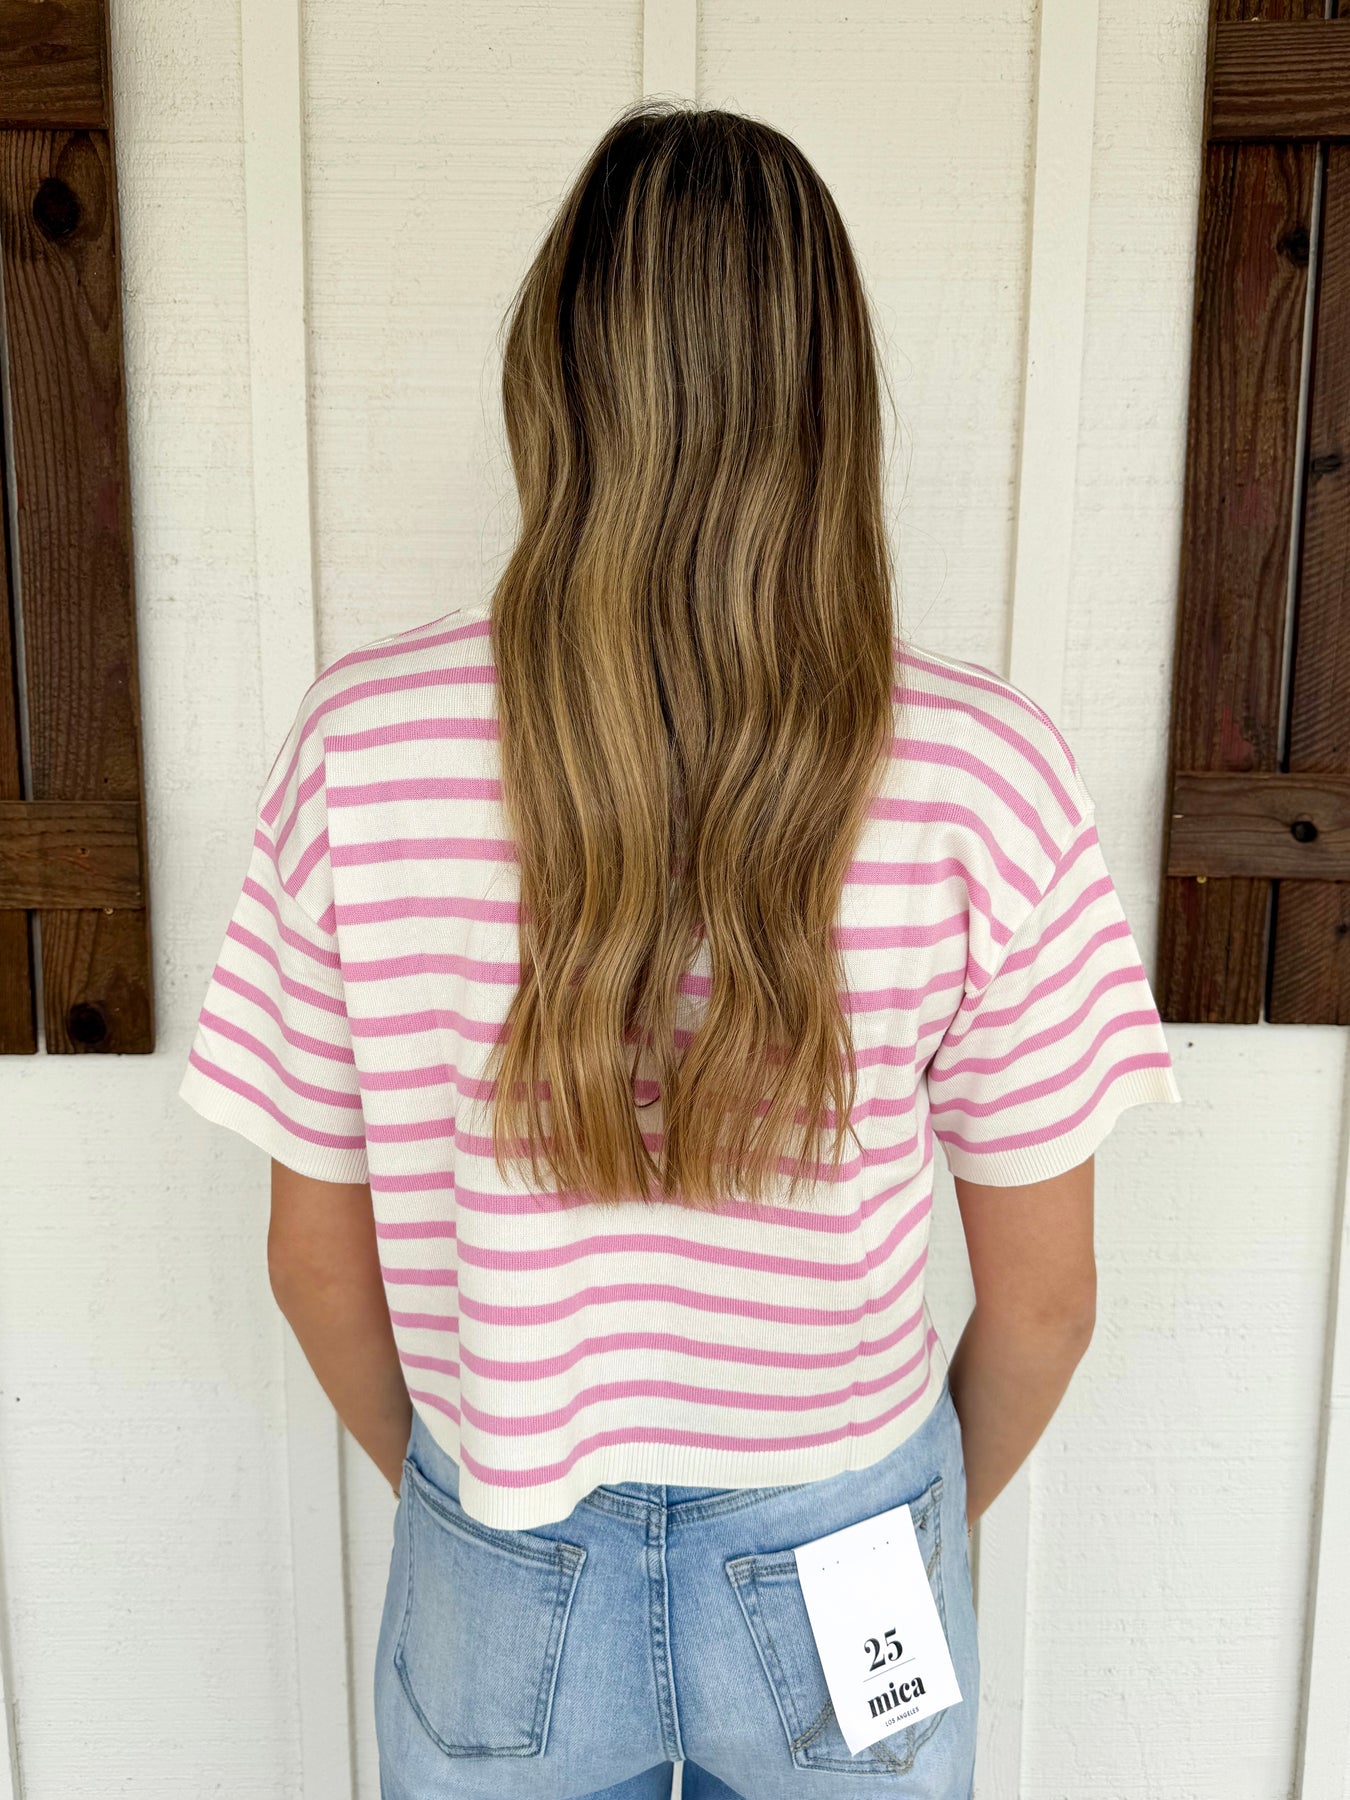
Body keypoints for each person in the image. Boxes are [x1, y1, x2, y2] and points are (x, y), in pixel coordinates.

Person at [179, 100, 1181, 1800]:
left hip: (502, 1534)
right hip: (846, 1537)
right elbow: (1044, 1303)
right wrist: (897, 1531)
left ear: (552, 376)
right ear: (830, 397)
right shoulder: (980, 769)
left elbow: (313, 1267)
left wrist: (463, 1508)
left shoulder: (363, 747)